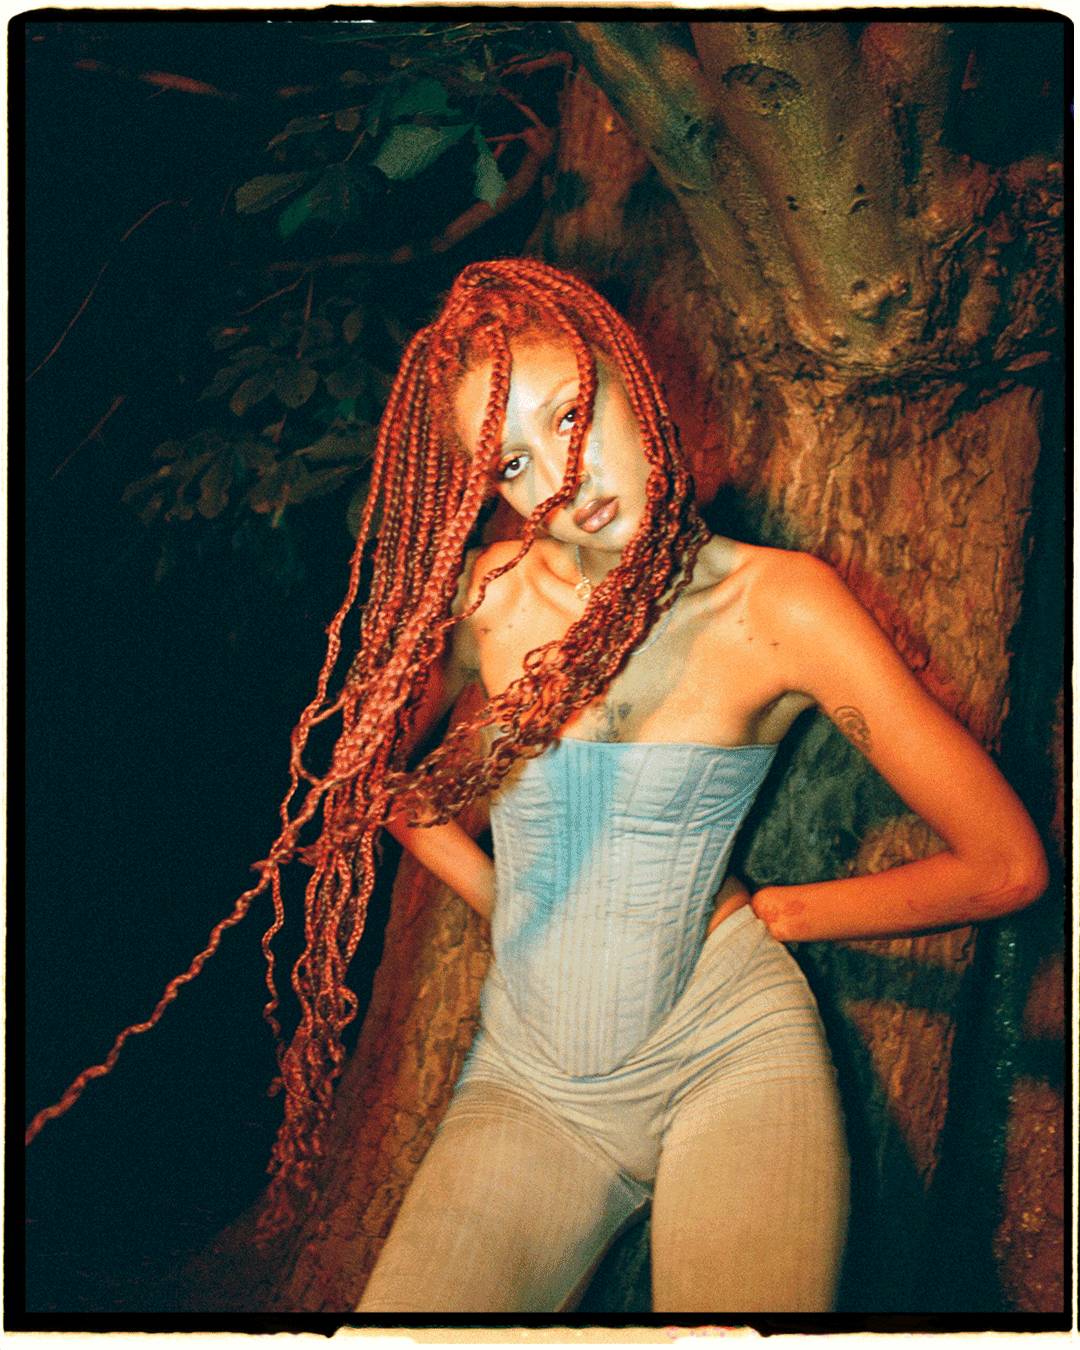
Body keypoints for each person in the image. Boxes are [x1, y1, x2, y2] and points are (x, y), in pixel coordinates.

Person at [27, 258, 1048, 1313]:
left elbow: (1005, 865)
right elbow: (371, 770)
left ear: (638, 382)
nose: (563, 479)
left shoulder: (779, 605)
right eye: (512, 463)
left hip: (729, 1057)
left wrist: (780, 916)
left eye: (573, 413)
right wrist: (496, 895)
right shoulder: (492, 596)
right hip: (526, 1082)